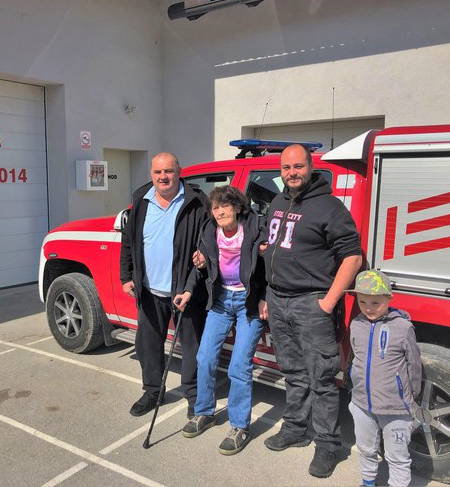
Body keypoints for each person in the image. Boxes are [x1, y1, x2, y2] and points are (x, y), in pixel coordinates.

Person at [261, 144, 362, 478]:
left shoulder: (329, 207)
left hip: (312, 303)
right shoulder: (277, 202)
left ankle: (328, 445)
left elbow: (352, 257)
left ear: (310, 166)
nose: (292, 173)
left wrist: (328, 302)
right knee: (292, 371)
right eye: (287, 167)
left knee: (321, 378)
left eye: (299, 166)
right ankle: (294, 428)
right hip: (278, 300)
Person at [174, 185, 267, 455]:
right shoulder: (208, 232)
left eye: (226, 206)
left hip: (248, 303)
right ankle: (204, 412)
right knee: (205, 358)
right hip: (221, 300)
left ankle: (240, 426)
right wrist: (188, 291)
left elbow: (270, 266)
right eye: (216, 207)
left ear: (238, 208)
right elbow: (200, 266)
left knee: (239, 365)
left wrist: (265, 297)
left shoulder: (254, 230)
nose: (220, 211)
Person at [120, 152, 208, 418]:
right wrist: (126, 276)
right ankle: (152, 392)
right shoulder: (141, 201)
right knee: (148, 345)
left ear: (179, 171)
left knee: (192, 349)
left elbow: (208, 240)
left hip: (185, 292)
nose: (163, 177)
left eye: (168, 171)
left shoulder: (197, 202)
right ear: (151, 174)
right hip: (148, 290)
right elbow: (129, 241)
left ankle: (194, 396)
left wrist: (204, 254)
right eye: (158, 172)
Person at [347, 270, 422, 487]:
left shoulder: (403, 327)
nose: (368, 308)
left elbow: (414, 364)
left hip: (395, 408)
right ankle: (368, 482)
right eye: (362, 302)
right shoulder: (356, 324)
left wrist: (411, 396)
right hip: (362, 404)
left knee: (397, 456)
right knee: (366, 449)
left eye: (375, 302)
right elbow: (356, 357)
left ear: (389, 298)